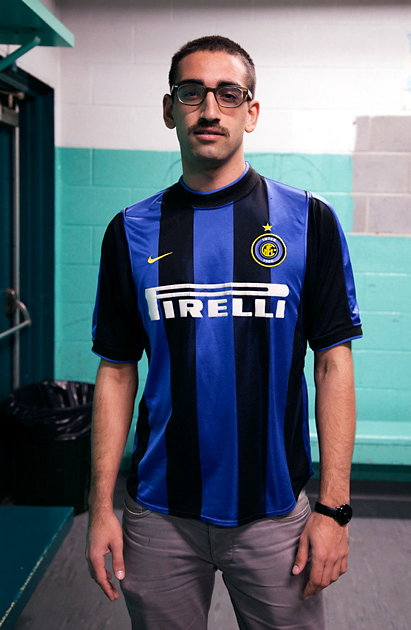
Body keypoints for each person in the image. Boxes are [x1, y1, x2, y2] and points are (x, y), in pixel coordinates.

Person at [86, 35, 362, 630]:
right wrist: (99, 504)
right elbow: (116, 370)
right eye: (192, 93)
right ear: (170, 110)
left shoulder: (308, 221)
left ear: (251, 112)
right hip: (158, 513)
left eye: (228, 94)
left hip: (275, 514)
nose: (210, 109)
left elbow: (333, 363)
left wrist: (334, 509)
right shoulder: (130, 231)